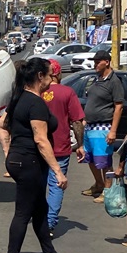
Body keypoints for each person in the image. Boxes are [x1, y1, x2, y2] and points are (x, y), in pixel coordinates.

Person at [1, 57, 79, 253]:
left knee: (40, 210)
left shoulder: (19, 98)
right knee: (23, 213)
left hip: (20, 160)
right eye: (49, 74)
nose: (52, 78)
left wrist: (9, 153)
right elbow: (41, 140)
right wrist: (58, 171)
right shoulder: (34, 103)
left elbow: (2, 125)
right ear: (39, 77)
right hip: (29, 162)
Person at [42, 59, 85, 236]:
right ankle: (49, 223)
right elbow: (77, 121)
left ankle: (38, 217)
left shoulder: (36, 92)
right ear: (58, 74)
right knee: (56, 185)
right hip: (60, 146)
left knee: (38, 184)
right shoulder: (67, 93)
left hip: (37, 146)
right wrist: (80, 145)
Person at [81, 50, 124, 203]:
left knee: (104, 161)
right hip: (90, 126)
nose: (95, 64)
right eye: (94, 61)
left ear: (106, 61)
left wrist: (113, 131)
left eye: (98, 61)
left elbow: (118, 106)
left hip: (103, 127)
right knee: (90, 159)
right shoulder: (97, 79)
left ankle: (107, 189)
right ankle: (98, 184)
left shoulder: (114, 81)